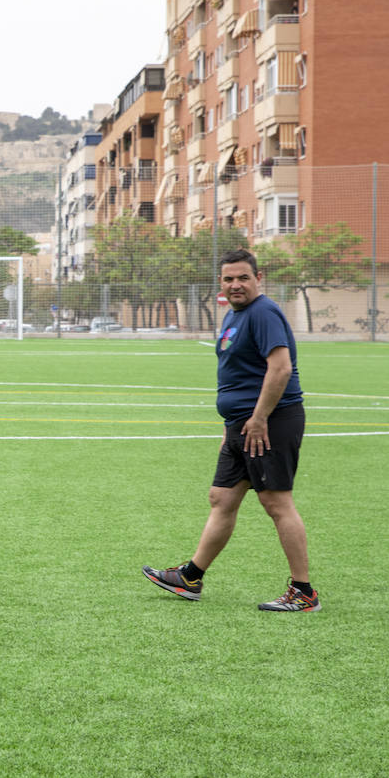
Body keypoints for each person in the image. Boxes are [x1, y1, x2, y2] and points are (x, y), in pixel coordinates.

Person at [143, 249, 319, 612]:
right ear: (220, 282)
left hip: (269, 422)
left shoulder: (264, 312)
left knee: (276, 501)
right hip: (242, 425)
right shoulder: (234, 314)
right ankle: (191, 577)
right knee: (221, 498)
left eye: (242, 277)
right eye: (228, 279)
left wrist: (257, 419)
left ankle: (304, 593)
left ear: (258, 278)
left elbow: (281, 369)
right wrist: (233, 426)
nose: (235, 284)